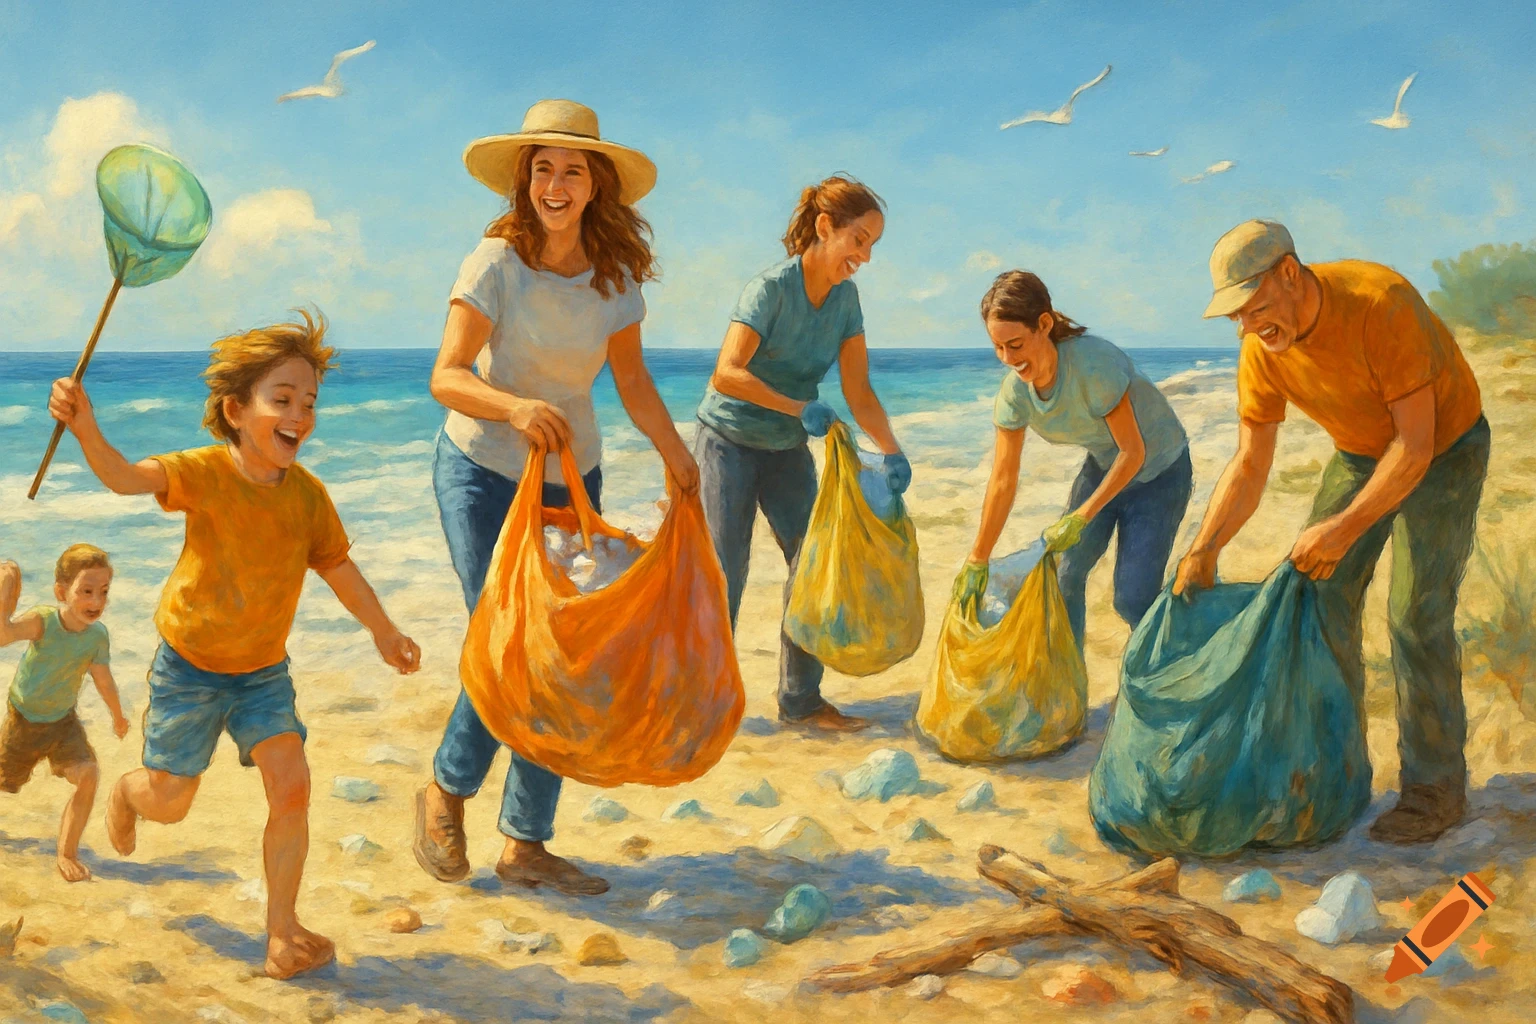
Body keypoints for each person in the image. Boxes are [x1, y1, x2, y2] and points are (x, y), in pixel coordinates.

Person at [47, 310, 421, 979]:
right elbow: (126, 478)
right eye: (282, 400)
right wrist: (83, 426)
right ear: (235, 409)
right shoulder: (204, 472)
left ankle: (281, 932)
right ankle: (129, 793)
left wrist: (383, 629)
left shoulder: (308, 496)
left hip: (262, 675)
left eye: (308, 403)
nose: (299, 416)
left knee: (293, 787)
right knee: (171, 800)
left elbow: (337, 566)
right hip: (188, 669)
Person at [413, 100, 697, 895]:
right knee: (506, 641)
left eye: (572, 169)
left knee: (564, 648)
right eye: (542, 167)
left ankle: (525, 843)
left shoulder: (615, 277)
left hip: (575, 472)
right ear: (524, 180)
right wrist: (514, 408)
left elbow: (633, 380)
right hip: (480, 468)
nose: (555, 183)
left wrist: (676, 454)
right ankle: (445, 791)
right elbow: (446, 376)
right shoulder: (494, 263)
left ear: (597, 183)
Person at [1173, 219, 1488, 845]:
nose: (1247, 326)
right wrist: (1205, 547)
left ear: (1290, 274)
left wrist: (1342, 528)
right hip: (1360, 452)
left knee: (1415, 615)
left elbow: (1415, 448)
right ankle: (1335, 775)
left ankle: (1434, 789)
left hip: (1445, 447)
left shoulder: (1381, 304)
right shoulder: (1261, 348)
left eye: (1255, 306)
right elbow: (1251, 462)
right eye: (1235, 314)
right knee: (1319, 595)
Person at [694, 175, 910, 733]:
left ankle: (801, 700)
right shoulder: (770, 289)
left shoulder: (846, 301)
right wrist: (797, 407)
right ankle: (700, 705)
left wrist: (891, 452)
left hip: (787, 447)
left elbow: (858, 391)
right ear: (824, 228)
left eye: (871, 246)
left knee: (812, 568)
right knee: (724, 574)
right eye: (858, 240)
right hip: (728, 443)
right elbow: (727, 373)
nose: (863, 256)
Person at [953, 271, 1192, 649]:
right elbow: (1002, 480)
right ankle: (1069, 691)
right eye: (998, 348)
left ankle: (1153, 686)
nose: (1007, 359)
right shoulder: (1015, 395)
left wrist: (1081, 517)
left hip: (1159, 472)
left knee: (1133, 598)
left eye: (1015, 345)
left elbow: (1134, 452)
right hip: (1103, 466)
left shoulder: (1092, 364)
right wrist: (977, 558)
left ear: (1044, 324)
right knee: (1065, 577)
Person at [0, 546, 130, 882]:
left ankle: (67, 852)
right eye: (86, 591)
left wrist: (117, 714)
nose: (96, 602)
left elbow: (103, 679)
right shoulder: (44, 620)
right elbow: (4, 636)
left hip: (63, 722)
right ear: (62, 592)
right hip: (24, 721)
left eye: (103, 592)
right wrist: (5, 596)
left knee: (88, 774)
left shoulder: (97, 636)